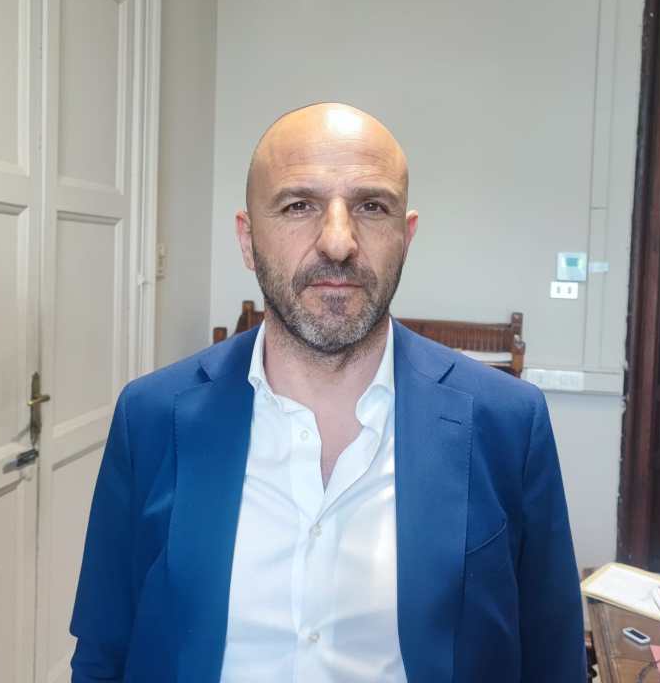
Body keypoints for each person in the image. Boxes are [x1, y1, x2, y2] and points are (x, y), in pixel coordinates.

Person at [69, 103, 587, 682]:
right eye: (299, 205)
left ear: (406, 236)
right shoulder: (151, 416)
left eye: (371, 206)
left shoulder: (506, 423)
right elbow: (104, 651)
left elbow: (553, 659)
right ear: (248, 239)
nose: (338, 242)